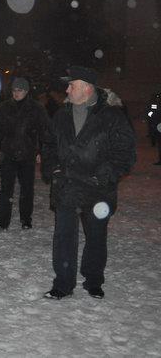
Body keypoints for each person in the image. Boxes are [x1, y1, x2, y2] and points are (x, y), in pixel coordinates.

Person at [41, 66, 135, 300]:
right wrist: (52, 167)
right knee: (63, 238)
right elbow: (49, 144)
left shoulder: (112, 116)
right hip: (67, 186)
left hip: (97, 189)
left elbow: (126, 153)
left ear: (86, 87)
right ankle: (63, 283)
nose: (67, 89)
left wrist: (105, 173)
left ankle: (93, 280)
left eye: (72, 84)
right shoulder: (61, 115)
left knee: (96, 238)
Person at [0, 77, 49, 230]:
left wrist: (41, 151)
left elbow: (43, 131)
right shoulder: (5, 107)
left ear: (26, 91)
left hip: (27, 153)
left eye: (19, 90)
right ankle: (3, 222)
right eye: (14, 90)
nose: (16, 93)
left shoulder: (36, 108)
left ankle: (26, 220)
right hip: (8, 152)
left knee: (27, 189)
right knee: (6, 189)